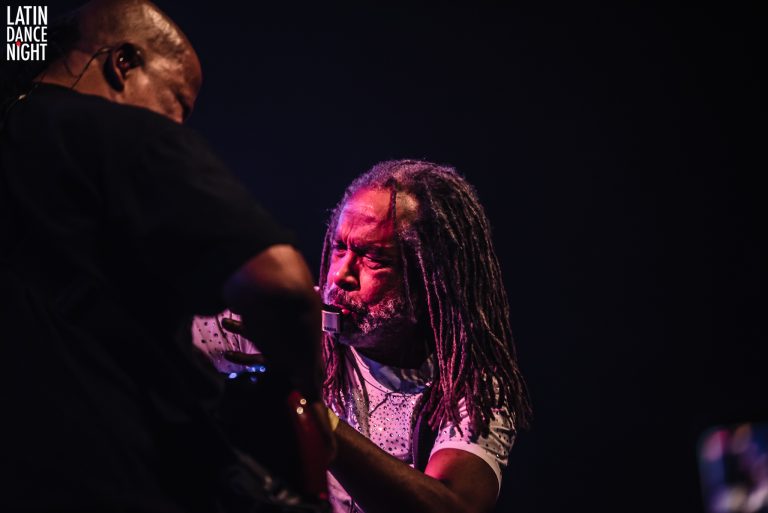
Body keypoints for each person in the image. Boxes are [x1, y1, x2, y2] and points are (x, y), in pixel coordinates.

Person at [0, 1, 327, 511]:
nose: (178, 122)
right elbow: (280, 286)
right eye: (179, 102)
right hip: (116, 472)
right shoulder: (129, 136)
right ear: (123, 63)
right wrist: (311, 399)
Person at [318, 160, 532, 513]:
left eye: (372, 258)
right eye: (340, 247)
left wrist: (313, 415)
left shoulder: (469, 386)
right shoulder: (273, 323)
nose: (340, 274)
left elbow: (453, 507)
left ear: (430, 277)